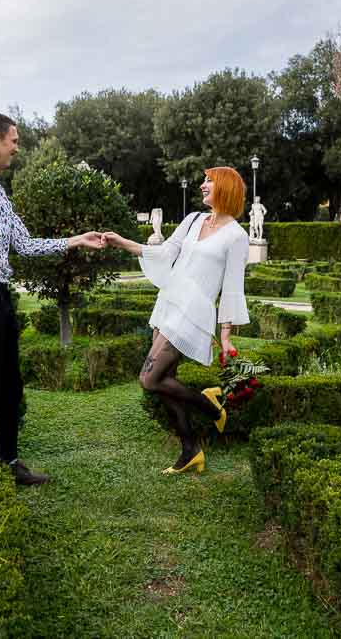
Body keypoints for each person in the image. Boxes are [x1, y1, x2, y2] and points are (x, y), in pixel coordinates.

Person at [0, 111, 105, 485]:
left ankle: (9, 464)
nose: (17, 147)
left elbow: (26, 245)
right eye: (14, 140)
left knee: (11, 388)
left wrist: (76, 240)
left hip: (1, 296)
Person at [102, 167, 250, 475]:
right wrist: (123, 243)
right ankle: (190, 450)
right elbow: (164, 252)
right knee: (163, 381)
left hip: (194, 312)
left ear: (226, 188)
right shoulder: (193, 219)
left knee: (150, 379)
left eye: (209, 180)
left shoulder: (237, 236)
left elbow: (233, 286)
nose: (202, 184)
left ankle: (212, 408)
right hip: (169, 302)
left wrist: (225, 336)